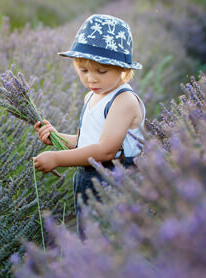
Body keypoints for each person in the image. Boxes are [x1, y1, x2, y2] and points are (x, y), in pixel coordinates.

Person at [33, 14, 145, 238]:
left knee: (111, 240)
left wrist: (57, 158)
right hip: (87, 179)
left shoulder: (123, 100)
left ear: (122, 69)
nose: (91, 79)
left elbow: (106, 150)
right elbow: (86, 141)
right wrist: (57, 137)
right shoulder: (91, 97)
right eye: (83, 71)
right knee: (90, 239)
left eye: (101, 72)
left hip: (114, 181)